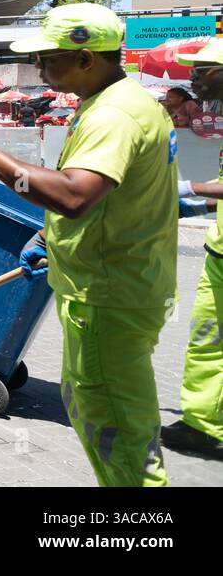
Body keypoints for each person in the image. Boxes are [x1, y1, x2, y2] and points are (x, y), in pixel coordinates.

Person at [0, 3, 175, 486]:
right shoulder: (119, 103)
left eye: (48, 57)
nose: (40, 67)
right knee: (100, 409)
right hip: (117, 286)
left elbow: (73, 194)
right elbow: (108, 196)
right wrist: (48, 236)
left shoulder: (115, 116)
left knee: (119, 435)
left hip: (108, 297)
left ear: (87, 59)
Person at [164, 41, 223, 458]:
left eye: (204, 69)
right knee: (207, 340)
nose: (194, 77)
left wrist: (186, 188)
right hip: (219, 255)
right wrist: (199, 205)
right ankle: (203, 425)